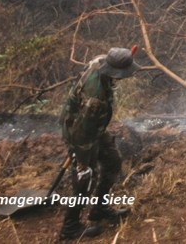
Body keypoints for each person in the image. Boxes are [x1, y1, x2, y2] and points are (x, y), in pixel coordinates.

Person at [58, 46, 141, 240]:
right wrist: (82, 160)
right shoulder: (95, 101)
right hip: (81, 133)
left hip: (94, 128)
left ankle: (99, 209)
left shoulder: (100, 61)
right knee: (86, 177)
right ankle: (70, 227)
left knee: (112, 162)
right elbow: (82, 131)